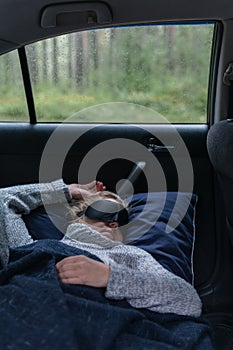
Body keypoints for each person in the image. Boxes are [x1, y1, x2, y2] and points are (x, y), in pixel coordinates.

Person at [0, 179, 202, 317]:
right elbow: (5, 200)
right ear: (79, 216)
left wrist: (109, 277)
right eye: (105, 210)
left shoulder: (131, 255)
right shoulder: (30, 250)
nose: (114, 222)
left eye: (122, 219)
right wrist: (66, 191)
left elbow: (188, 301)